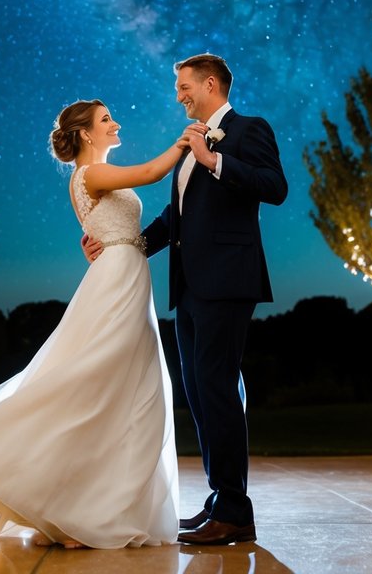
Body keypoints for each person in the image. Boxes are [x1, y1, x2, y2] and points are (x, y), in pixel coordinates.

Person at [0, 99, 190, 549]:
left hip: (125, 273)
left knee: (118, 389)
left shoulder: (92, 176)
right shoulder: (91, 174)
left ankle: (79, 508)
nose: (115, 123)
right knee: (95, 383)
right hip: (116, 281)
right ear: (85, 133)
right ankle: (71, 511)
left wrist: (116, 241)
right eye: (106, 120)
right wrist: (184, 141)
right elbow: (149, 174)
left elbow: (120, 228)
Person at [84, 54, 287, 546]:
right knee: (200, 394)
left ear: (210, 83)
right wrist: (121, 246)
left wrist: (216, 159)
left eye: (183, 86)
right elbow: (175, 219)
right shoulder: (187, 144)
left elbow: (275, 187)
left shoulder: (247, 129)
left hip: (228, 280)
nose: (178, 95)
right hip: (190, 288)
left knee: (216, 388)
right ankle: (220, 501)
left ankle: (236, 512)